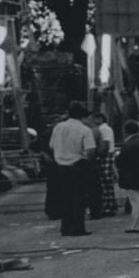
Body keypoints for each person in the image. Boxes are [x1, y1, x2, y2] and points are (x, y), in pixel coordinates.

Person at [50, 101, 96, 237]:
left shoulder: (58, 127)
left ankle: (66, 227)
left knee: (65, 198)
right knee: (79, 198)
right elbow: (90, 150)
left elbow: (52, 145)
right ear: (83, 116)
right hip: (77, 164)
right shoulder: (84, 129)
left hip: (60, 166)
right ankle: (77, 227)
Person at [89, 110, 119, 218]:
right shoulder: (106, 128)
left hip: (105, 156)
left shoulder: (103, 129)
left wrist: (98, 154)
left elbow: (106, 143)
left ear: (99, 119)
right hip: (108, 154)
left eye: (93, 119)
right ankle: (109, 204)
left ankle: (109, 205)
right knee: (106, 182)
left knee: (105, 182)